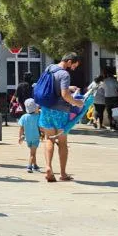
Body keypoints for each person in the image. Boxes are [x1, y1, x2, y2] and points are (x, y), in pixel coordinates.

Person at [37, 51, 84, 183]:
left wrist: (69, 87)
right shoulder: (64, 74)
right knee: (62, 142)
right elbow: (64, 95)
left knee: (49, 139)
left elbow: (53, 87)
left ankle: (48, 167)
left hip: (46, 109)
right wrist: (76, 102)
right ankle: (63, 174)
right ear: (69, 61)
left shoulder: (49, 68)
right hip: (60, 111)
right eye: (74, 65)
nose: (74, 68)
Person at [18, 97, 42, 173]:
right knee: (32, 153)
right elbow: (40, 127)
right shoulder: (38, 117)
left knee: (32, 151)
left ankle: (35, 165)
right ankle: (29, 166)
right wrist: (43, 134)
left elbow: (21, 128)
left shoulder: (24, 117)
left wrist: (20, 137)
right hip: (35, 137)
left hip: (28, 138)